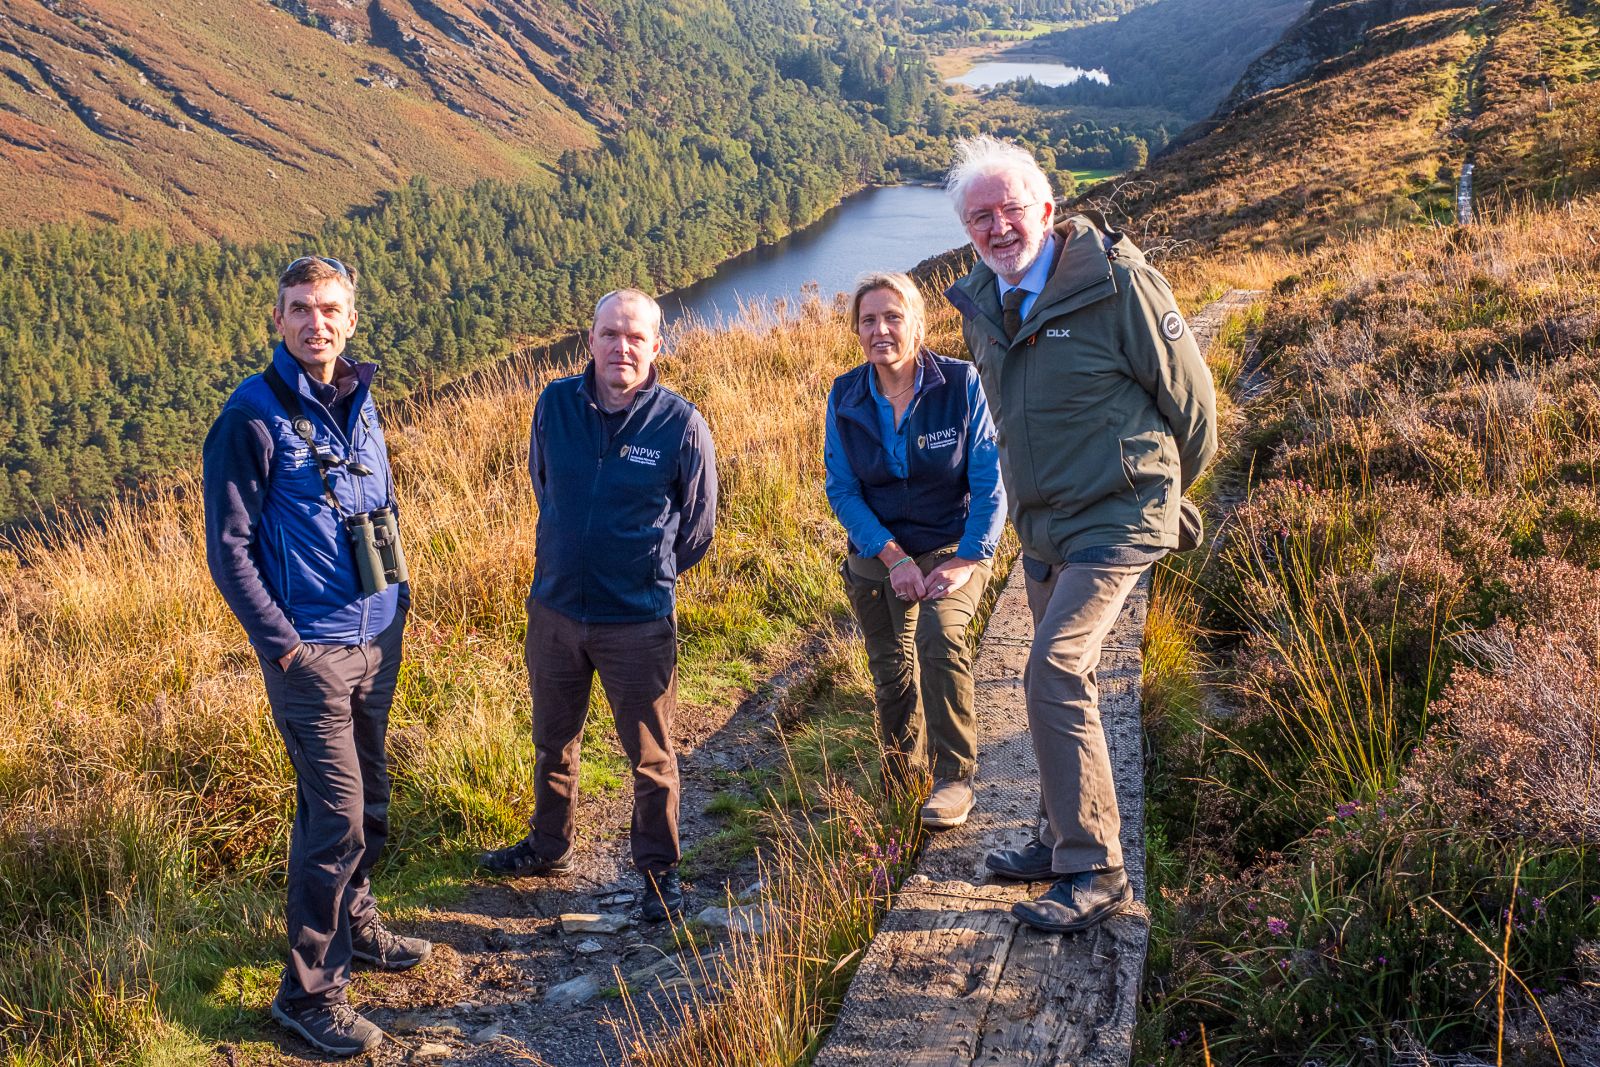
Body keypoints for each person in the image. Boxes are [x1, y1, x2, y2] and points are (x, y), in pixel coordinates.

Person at [942, 136, 1217, 934]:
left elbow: (1193, 410)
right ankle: (1055, 834)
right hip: (1046, 526)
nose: (998, 228)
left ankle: (1096, 868)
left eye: (1011, 209)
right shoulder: (984, 303)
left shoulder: (1117, 282)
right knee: (1050, 679)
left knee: (1054, 668)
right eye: (980, 217)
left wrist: (1161, 499)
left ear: (1048, 210)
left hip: (1116, 513)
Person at [204, 256, 431, 1057]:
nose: (315, 322)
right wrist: (286, 648)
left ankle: (358, 925)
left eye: (329, 308)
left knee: (367, 800)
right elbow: (229, 551)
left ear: (351, 319)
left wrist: (397, 604)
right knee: (333, 816)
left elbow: (380, 509)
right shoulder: (251, 416)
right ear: (277, 320)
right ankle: (309, 992)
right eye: (299, 309)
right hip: (311, 654)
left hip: (377, 637)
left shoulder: (360, 401)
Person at [478, 288, 717, 924]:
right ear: (590, 340)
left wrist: (646, 573)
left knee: (651, 755)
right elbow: (544, 487)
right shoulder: (555, 404)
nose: (622, 347)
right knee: (553, 741)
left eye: (636, 337)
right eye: (610, 334)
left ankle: (660, 878)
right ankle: (549, 847)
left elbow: (697, 529)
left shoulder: (681, 425)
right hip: (555, 610)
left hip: (636, 621)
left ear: (657, 346)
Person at [824, 272, 1005, 829]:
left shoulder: (959, 384)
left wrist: (970, 556)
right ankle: (903, 775)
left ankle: (954, 778)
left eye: (893, 317)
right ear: (857, 331)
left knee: (939, 634)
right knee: (890, 669)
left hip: (954, 544)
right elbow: (842, 489)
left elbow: (989, 479)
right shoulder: (846, 394)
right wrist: (892, 556)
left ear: (918, 324)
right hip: (879, 552)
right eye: (869, 320)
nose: (881, 329)